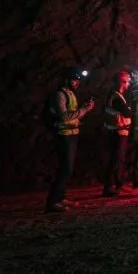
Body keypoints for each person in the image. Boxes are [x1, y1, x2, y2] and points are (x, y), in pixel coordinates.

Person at [45, 67, 95, 213]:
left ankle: (60, 198)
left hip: (72, 134)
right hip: (63, 135)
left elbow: (72, 115)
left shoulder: (70, 94)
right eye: (74, 80)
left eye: (78, 80)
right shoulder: (59, 95)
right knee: (64, 168)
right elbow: (64, 116)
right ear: (66, 80)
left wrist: (84, 109)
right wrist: (84, 110)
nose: (77, 82)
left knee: (68, 168)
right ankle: (53, 201)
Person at [101, 70, 133, 196]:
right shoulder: (116, 97)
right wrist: (130, 109)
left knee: (119, 159)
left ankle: (117, 185)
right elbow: (127, 112)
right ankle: (110, 187)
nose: (129, 85)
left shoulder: (116, 95)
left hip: (118, 130)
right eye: (127, 82)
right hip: (117, 131)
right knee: (116, 159)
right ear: (122, 82)